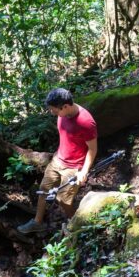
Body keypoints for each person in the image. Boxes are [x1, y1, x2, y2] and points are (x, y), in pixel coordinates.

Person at [17, 88, 98, 234]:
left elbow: (92, 149)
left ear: (65, 106)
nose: (52, 112)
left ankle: (75, 224)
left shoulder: (86, 122)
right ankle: (37, 222)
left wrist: (83, 172)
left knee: (63, 199)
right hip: (58, 160)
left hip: (74, 166)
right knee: (43, 190)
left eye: (53, 109)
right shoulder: (63, 114)